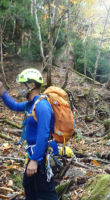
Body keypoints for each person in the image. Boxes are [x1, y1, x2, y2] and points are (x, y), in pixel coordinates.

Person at [0, 69, 58, 200]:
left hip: (42, 157)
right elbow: (14, 106)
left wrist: (35, 160)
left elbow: (43, 135)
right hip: (34, 154)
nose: (20, 88)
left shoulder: (42, 106)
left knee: (45, 194)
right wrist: (2, 91)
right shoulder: (31, 104)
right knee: (29, 187)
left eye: (22, 85)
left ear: (31, 85)